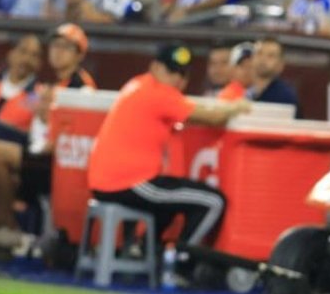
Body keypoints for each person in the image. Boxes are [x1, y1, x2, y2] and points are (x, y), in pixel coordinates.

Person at [88, 44, 251, 255]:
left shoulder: (137, 83)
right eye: (171, 71)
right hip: (129, 183)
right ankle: (179, 261)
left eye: (182, 74)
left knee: (171, 200)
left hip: (109, 182)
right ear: (155, 67)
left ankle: (148, 254)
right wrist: (236, 106)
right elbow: (213, 117)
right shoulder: (159, 93)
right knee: (213, 201)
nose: (177, 79)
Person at [0, 34, 42, 249]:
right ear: (10, 54)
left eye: (34, 55)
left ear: (40, 63)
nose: (26, 59)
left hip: (7, 162)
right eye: (23, 51)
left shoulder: (38, 96)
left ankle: (2, 232)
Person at [249, 37, 299, 108]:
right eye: (259, 53)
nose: (263, 59)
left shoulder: (285, 97)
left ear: (280, 65)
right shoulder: (241, 90)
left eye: (271, 56)